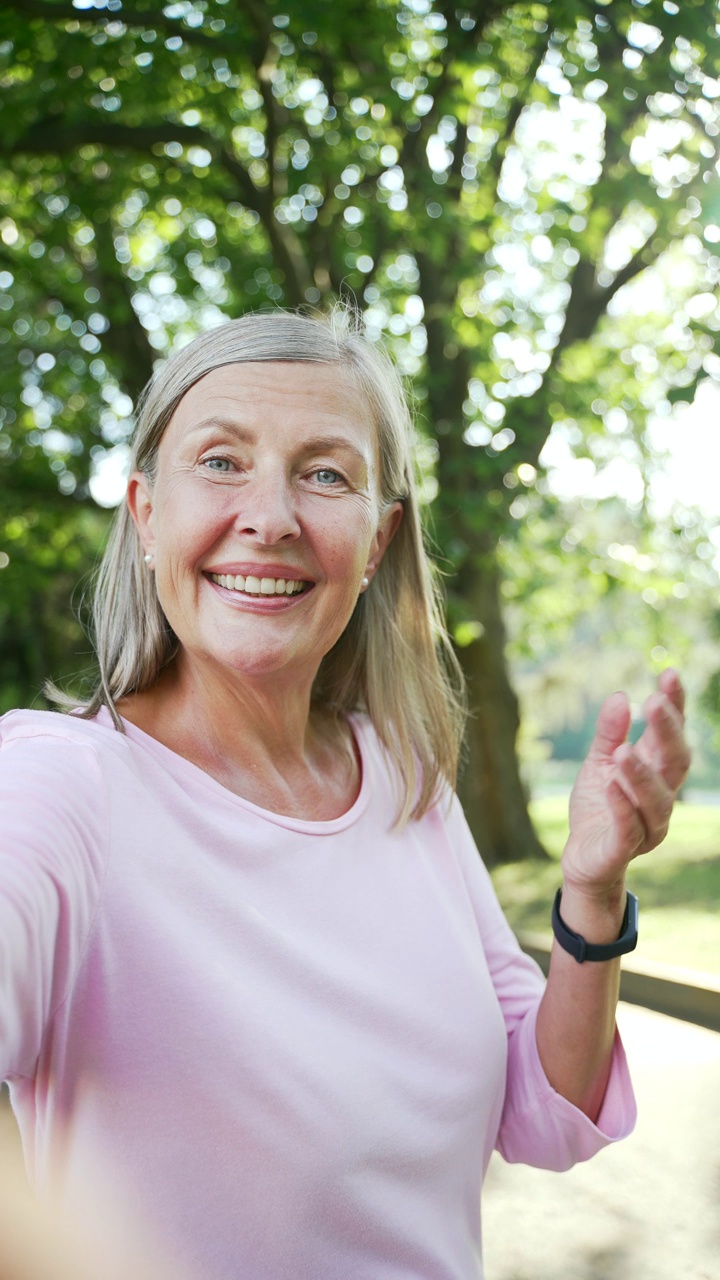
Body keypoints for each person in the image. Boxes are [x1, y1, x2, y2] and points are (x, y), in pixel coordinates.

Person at [0, 307, 689, 1280]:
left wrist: (593, 890)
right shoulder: (56, 786)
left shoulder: (405, 785)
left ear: (376, 541)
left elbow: (543, 1109)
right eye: (223, 460)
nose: (272, 515)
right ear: (146, 514)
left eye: (326, 473)